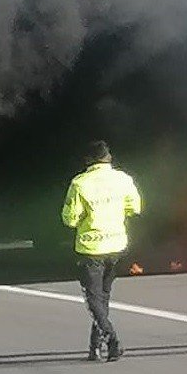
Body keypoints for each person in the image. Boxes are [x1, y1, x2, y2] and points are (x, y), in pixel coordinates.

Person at [61, 140, 143, 362]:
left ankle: (112, 339)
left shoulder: (80, 183)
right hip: (116, 244)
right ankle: (94, 346)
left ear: (88, 160)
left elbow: (69, 219)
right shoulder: (124, 179)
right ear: (109, 158)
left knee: (93, 300)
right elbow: (135, 208)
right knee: (103, 297)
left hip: (91, 248)